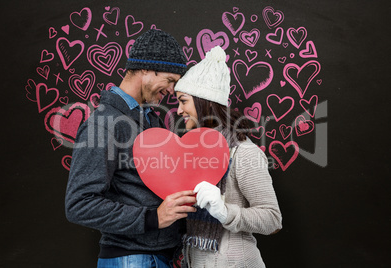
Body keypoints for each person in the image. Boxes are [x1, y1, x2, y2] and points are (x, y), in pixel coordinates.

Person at [65, 29, 197, 268]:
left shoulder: (151, 119)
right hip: (130, 259)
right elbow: (79, 204)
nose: (171, 91)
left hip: (160, 256)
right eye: (170, 80)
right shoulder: (103, 123)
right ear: (145, 69)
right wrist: (152, 218)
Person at [174, 46, 282, 267]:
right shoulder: (191, 154)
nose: (178, 110)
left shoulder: (243, 152)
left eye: (183, 101)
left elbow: (273, 220)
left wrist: (224, 211)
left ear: (203, 101)